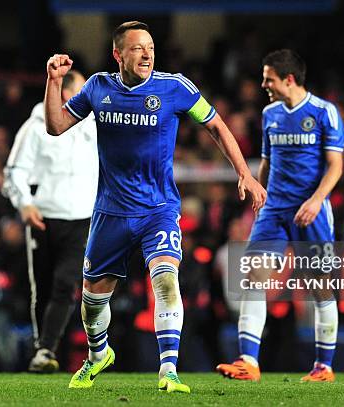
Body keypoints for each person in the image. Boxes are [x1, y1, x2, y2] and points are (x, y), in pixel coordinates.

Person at [44, 21, 266, 392]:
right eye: (136, 48)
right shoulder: (98, 87)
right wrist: (53, 81)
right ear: (118, 55)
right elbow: (55, 126)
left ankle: (168, 370)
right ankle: (98, 355)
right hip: (111, 211)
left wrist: (245, 172)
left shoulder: (174, 87)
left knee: (165, 280)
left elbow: (217, 125)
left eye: (149, 47)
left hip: (158, 208)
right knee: (92, 300)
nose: (146, 54)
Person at [216, 49, 344, 382]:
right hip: (275, 209)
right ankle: (249, 361)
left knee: (319, 287)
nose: (264, 84)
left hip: (311, 210)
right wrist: (261, 194)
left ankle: (324, 367)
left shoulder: (323, 113)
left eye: (268, 78)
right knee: (254, 277)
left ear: (288, 79)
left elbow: (336, 165)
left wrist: (317, 200)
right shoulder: (270, 113)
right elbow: (267, 162)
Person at [3, 70, 98, 372]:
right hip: (43, 217)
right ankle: (45, 347)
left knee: (64, 284)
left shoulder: (95, 127)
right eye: (83, 90)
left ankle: (46, 350)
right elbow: (14, 170)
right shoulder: (34, 127)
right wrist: (24, 204)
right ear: (67, 94)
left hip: (82, 218)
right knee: (42, 287)